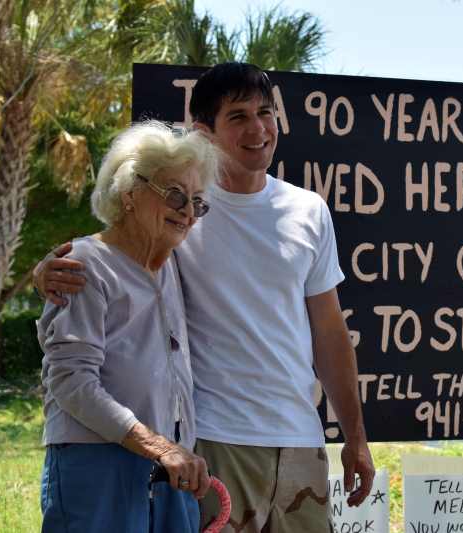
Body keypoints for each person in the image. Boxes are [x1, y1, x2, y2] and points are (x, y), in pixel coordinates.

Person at [35, 62, 374, 533]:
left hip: (300, 440)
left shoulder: (304, 210)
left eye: (266, 112)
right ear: (203, 131)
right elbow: (114, 249)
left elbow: (330, 331)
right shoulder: (178, 209)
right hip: (213, 443)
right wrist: (48, 270)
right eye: (238, 116)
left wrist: (355, 438)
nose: (258, 128)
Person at [37, 121, 219, 532]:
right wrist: (158, 447)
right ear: (130, 192)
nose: (188, 211)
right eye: (174, 194)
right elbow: (70, 382)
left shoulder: (171, 263)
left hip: (170, 466)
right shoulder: (83, 265)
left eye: (196, 201)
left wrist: (170, 451)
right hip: (99, 464)